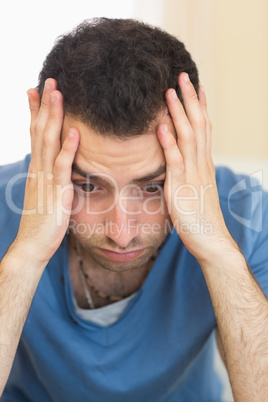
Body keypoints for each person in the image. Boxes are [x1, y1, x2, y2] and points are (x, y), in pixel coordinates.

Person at [0, 17, 268, 402]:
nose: (122, 232)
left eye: (152, 187)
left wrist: (220, 253)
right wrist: (24, 257)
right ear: (46, 139)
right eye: (88, 186)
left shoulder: (245, 212)